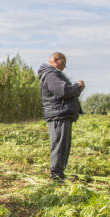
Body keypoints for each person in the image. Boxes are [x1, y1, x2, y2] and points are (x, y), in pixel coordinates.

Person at [37, 52, 85, 183]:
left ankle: (59, 174)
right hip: (58, 114)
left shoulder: (53, 74)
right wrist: (78, 86)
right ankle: (56, 176)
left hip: (62, 113)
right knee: (59, 145)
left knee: (63, 145)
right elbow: (63, 91)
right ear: (55, 60)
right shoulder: (51, 75)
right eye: (63, 63)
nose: (64, 66)